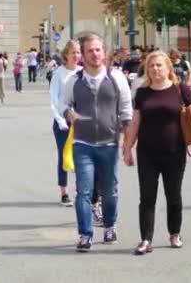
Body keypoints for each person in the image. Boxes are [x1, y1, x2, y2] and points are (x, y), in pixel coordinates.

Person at [122, 51, 191, 255]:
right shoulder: (142, 93)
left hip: (174, 151)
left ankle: (174, 233)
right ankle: (145, 239)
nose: (155, 69)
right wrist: (127, 148)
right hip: (147, 153)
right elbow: (135, 122)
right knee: (147, 198)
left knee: (174, 196)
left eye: (159, 65)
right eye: (151, 66)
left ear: (168, 68)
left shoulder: (180, 90)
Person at [62, 34, 132, 252]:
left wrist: (127, 142)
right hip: (82, 143)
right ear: (82, 55)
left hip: (109, 144)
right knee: (83, 191)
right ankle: (85, 234)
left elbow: (126, 110)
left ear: (104, 52)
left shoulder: (116, 78)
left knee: (110, 190)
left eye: (98, 50)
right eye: (90, 50)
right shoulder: (74, 80)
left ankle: (110, 226)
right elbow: (64, 105)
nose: (95, 54)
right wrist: (68, 113)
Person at [50, 40, 82, 207]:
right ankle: (64, 191)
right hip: (63, 122)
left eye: (78, 52)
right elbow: (54, 100)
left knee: (81, 156)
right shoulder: (59, 73)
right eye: (73, 53)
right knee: (64, 156)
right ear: (66, 55)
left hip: (80, 122)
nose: (76, 56)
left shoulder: (83, 72)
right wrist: (61, 120)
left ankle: (82, 190)